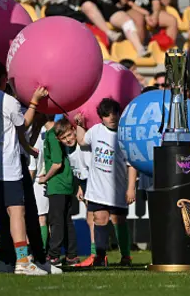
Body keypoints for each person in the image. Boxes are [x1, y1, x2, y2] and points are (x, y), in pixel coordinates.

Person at [0, 55, 48, 275]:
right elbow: (24, 123)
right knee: (16, 213)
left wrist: (28, 149)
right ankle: (22, 262)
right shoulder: (8, 101)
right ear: (3, 79)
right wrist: (34, 102)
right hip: (8, 167)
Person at [75, 98, 135, 267]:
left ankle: (126, 256)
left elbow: (131, 165)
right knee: (100, 219)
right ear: (101, 117)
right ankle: (101, 256)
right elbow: (82, 140)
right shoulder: (95, 130)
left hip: (117, 188)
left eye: (114, 113)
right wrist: (79, 124)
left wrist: (131, 188)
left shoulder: (125, 135)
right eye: (107, 115)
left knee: (119, 221)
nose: (112, 117)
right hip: (97, 188)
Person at [39, 118, 79, 266]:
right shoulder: (52, 133)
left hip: (58, 183)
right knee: (66, 221)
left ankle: (54, 256)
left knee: (56, 221)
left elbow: (57, 163)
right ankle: (71, 256)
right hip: (66, 182)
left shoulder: (51, 134)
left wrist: (45, 178)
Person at [27, 117, 52, 251]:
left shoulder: (34, 135)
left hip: (37, 181)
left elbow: (32, 166)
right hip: (45, 180)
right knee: (44, 219)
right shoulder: (47, 132)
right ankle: (43, 252)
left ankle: (40, 252)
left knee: (41, 219)